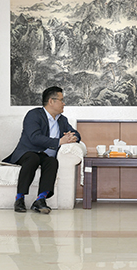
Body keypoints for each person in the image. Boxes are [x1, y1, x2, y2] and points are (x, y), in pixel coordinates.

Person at [5, 86, 81, 214]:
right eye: (61, 100)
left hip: (45, 156)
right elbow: (34, 137)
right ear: (51, 101)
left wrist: (73, 137)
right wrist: (59, 141)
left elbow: (76, 134)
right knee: (33, 158)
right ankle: (19, 198)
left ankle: (40, 200)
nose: (64, 103)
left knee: (52, 161)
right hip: (27, 152)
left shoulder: (62, 120)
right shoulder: (34, 115)